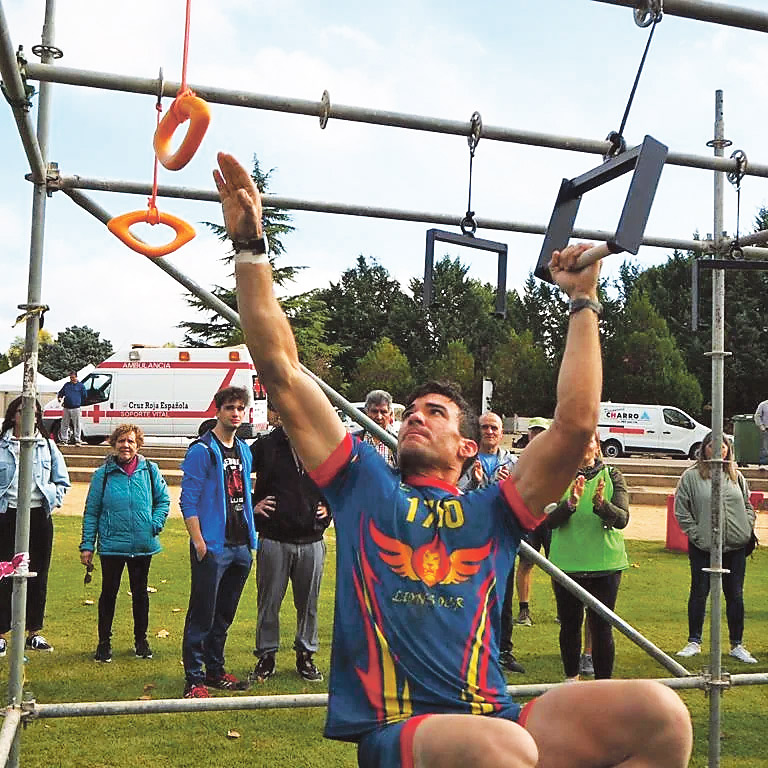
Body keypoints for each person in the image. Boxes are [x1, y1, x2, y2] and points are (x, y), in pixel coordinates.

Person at [215, 151, 693, 768]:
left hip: (495, 717)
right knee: (505, 749)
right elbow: (281, 371)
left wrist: (582, 300)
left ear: (468, 448)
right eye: (411, 410)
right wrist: (250, 247)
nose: (415, 415)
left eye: (435, 412)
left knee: (662, 715)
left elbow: (575, 428)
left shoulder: (496, 509)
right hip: (398, 727)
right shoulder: (364, 484)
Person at [180, 385, 258, 698]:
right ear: (218, 410)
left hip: (240, 546)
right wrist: (199, 542)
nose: (235, 413)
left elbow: (243, 495)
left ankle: (215, 670)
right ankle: (194, 679)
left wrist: (252, 533)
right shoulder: (202, 450)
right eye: (230, 408)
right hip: (212, 547)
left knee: (224, 615)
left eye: (240, 408)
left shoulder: (244, 450)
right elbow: (189, 500)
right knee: (202, 614)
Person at [250, 403, 332, 682]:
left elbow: (339, 479)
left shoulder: (318, 443)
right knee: (269, 602)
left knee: (308, 603)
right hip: (274, 538)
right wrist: (252, 505)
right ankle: (266, 655)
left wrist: (329, 506)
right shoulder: (266, 445)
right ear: (278, 414)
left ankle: (306, 655)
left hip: (311, 539)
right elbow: (234, 474)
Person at [80, 424, 170, 663]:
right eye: (121, 441)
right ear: (114, 444)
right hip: (112, 545)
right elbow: (92, 512)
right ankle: (104, 643)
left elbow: (163, 500)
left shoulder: (150, 470)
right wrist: (87, 545)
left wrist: (154, 524)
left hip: (142, 545)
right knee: (108, 594)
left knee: (140, 594)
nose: (126, 445)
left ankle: (141, 641)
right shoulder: (103, 475)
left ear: (138, 444)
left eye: (130, 441)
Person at [546, 429, 630, 681]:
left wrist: (601, 505)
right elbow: (547, 521)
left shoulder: (612, 475)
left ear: (597, 445)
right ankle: (571, 680)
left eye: (588, 440)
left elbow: (622, 519)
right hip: (567, 564)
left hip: (605, 564)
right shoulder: (558, 476)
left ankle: (603, 686)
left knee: (602, 627)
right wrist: (570, 504)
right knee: (569, 625)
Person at [674, 432, 758, 664]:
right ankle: (694, 641)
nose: (719, 450)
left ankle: (737, 644)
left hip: (735, 546)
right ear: (705, 448)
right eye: (713, 445)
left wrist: (746, 526)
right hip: (704, 547)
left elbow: (747, 504)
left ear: (728, 450)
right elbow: (682, 510)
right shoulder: (691, 477)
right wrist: (698, 535)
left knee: (735, 595)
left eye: (723, 446)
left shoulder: (736, 476)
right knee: (699, 592)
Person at [0, 396, 69, 656]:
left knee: (38, 574)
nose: (30, 416)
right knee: (4, 573)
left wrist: (52, 499)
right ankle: (1, 633)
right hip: (7, 515)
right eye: (24, 411)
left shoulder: (47, 446)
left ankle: (34, 632)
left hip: (38, 515)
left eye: (35, 413)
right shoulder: (2, 445)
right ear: (13, 415)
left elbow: (62, 480)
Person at [458, 411, 524, 674]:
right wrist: (475, 482)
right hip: (473, 538)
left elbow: (523, 496)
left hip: (502, 538)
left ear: (501, 432)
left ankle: (503, 651)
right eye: (484, 427)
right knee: (471, 597)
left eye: (494, 428)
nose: (489, 432)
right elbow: (457, 495)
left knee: (503, 599)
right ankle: (470, 650)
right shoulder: (466, 459)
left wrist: (509, 486)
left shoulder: (512, 462)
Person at [513, 418, 552, 628]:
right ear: (528, 435)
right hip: (529, 518)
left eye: (541, 431)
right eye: (534, 431)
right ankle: (523, 610)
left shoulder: (557, 458)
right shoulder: (521, 460)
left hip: (552, 520)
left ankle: (564, 610)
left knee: (559, 565)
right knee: (526, 563)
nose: (537, 435)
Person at [361, 389, 398, 467]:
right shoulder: (356, 441)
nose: (379, 417)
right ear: (366, 413)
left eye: (383, 412)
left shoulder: (397, 443)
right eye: (374, 411)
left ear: (390, 415)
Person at [57, 371, 88, 446]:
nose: (72, 379)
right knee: (64, 424)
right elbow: (61, 393)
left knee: (76, 424)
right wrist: (60, 398)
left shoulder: (81, 386)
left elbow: (84, 396)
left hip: (76, 407)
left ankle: (77, 440)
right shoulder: (67, 385)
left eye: (73, 377)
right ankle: (64, 440)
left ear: (76, 377)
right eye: (71, 377)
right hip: (66, 407)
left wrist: (78, 402)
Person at [754, 398, 768, 467]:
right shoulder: (763, 404)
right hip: (766, 429)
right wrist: (761, 426)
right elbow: (757, 416)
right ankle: (763, 464)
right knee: (765, 448)